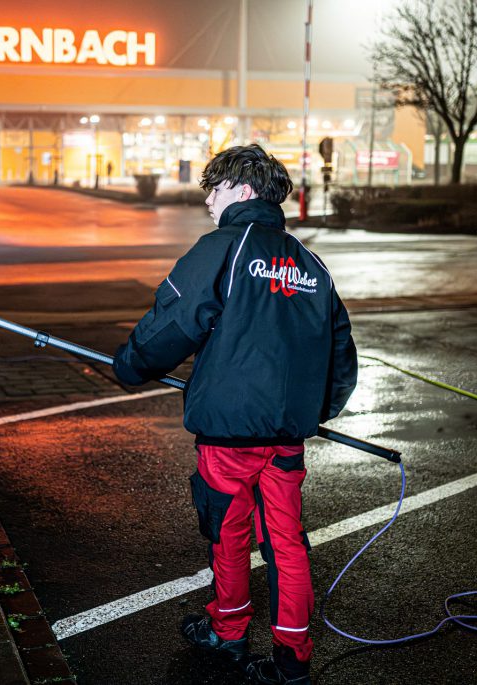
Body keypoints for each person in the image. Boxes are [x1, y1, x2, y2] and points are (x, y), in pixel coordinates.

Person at [113, 144, 357, 684]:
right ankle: (293, 659)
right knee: (286, 542)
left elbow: (172, 325)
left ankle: (228, 632)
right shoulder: (310, 263)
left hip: (228, 435)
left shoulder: (222, 248)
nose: (208, 200)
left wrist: (130, 366)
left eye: (215, 189)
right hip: (287, 436)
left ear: (243, 192)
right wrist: (313, 412)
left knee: (228, 532)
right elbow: (340, 348)